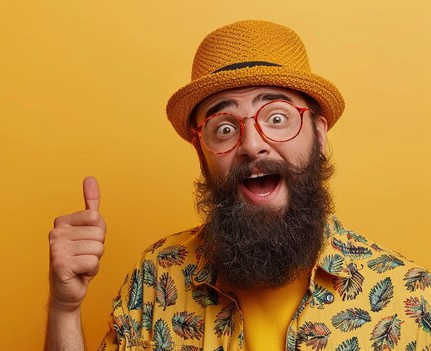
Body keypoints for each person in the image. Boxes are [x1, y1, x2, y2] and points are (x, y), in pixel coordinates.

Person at [45, 20, 431, 351]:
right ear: (202, 152)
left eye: (277, 118)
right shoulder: (157, 274)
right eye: (225, 128)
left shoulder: (409, 298)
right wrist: (64, 308)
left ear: (318, 131)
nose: (251, 143)